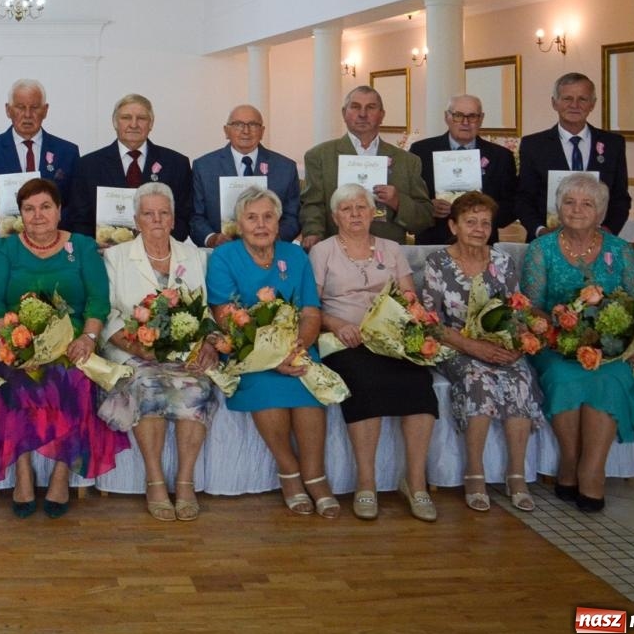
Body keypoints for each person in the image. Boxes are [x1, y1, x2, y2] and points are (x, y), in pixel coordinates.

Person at [0, 178, 127, 518]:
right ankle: (23, 472)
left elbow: (97, 302)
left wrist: (88, 339)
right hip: (16, 343)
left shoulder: (83, 246)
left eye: (45, 207)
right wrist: (18, 342)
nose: (37, 216)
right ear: (20, 215)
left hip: (71, 341)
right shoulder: (5, 249)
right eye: (29, 209)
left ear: (59, 210)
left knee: (72, 377)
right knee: (14, 381)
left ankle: (62, 474)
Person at [522, 173, 634, 513]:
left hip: (611, 350)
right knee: (563, 377)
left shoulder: (619, 250)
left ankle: (592, 470)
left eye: (587, 204)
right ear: (558, 207)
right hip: (558, 345)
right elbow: (530, 305)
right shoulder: (542, 249)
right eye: (569, 202)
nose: (577, 209)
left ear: (600, 212)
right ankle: (569, 462)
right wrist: (557, 326)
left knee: (610, 379)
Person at [206, 187, 338, 518]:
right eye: (252, 218)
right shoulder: (224, 257)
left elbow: (310, 311)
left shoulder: (295, 257)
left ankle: (316, 475)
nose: (261, 224)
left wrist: (299, 347)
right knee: (266, 387)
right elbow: (226, 316)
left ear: (279, 222)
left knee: (308, 385)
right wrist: (270, 357)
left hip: (295, 347)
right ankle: (289, 472)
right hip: (246, 351)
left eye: (268, 217)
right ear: (238, 223)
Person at [310, 182, 439, 522]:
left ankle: (415, 482)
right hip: (345, 340)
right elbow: (311, 307)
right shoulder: (322, 251)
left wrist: (406, 326)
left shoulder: (391, 248)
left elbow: (410, 299)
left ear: (373, 212)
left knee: (419, 382)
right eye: (347, 209)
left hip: (390, 339)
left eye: (361, 207)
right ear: (335, 215)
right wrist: (337, 325)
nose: (355, 214)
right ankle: (366, 483)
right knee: (364, 381)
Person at [98, 183, 216, 522]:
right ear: (136, 219)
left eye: (163, 212)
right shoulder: (116, 256)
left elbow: (206, 310)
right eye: (148, 213)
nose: (156, 219)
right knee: (147, 385)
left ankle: (186, 480)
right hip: (134, 352)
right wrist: (135, 346)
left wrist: (208, 342)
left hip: (184, 352)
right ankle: (155, 479)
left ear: (174, 218)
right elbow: (108, 314)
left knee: (199, 387)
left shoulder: (193, 255)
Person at [418, 192, 542, 513]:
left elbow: (517, 310)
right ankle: (474, 473)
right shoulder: (438, 263)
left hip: (499, 346)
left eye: (485, 223)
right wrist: (473, 346)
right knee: (478, 380)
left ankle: (516, 475)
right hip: (455, 346)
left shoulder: (502, 262)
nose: (478, 228)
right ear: (453, 225)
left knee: (520, 378)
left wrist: (515, 345)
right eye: (470, 222)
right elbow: (431, 324)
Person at [299, 85, 431, 247]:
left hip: (388, 256)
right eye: (355, 107)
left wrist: (398, 202)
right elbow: (313, 205)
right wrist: (313, 233)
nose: (362, 114)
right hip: (336, 253)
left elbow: (424, 217)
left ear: (382, 115)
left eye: (371, 107)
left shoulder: (407, 161)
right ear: (344, 113)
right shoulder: (319, 156)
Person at [515, 73, 630, 241]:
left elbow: (620, 197)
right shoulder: (533, 145)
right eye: (567, 98)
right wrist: (540, 231)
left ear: (593, 104)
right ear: (554, 103)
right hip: (546, 243)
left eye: (582, 99)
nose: (574, 105)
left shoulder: (613, 144)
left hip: (598, 243)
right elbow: (523, 198)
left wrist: (607, 231)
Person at [67, 93, 192, 244]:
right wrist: (97, 245)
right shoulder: (88, 166)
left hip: (159, 254)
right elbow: (79, 220)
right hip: (105, 256)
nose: (133, 124)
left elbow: (184, 218)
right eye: (126, 118)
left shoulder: (177, 164)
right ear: (115, 123)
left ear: (151, 124)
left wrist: (156, 243)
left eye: (141, 118)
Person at [0, 79, 81, 246]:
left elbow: (74, 206)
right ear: (8, 110)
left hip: (53, 249)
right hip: (2, 249)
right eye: (21, 107)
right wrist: (1, 240)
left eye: (35, 107)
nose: (28, 114)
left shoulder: (67, 152)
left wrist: (49, 236)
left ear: (45, 111)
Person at [410, 94, 519, 245]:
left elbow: (512, 206)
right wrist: (428, 208)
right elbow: (409, 198)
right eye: (458, 115)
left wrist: (483, 214)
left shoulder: (501, 156)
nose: (465, 122)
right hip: (433, 241)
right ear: (447, 117)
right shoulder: (421, 151)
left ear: (481, 119)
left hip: (481, 244)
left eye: (472, 116)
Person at [189, 104, 300, 246]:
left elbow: (292, 216)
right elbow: (195, 216)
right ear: (226, 131)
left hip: (271, 250)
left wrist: (274, 238)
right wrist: (212, 238)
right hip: (221, 252)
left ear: (262, 131)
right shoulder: (204, 167)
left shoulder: (285, 168)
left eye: (253, 125)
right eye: (238, 125)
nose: (246, 131)